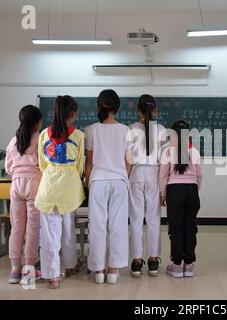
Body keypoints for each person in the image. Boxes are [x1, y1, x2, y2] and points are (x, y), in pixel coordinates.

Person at [35, 95, 85, 289]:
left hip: (48, 188)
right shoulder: (79, 136)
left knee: (49, 234)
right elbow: (80, 166)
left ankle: (53, 276)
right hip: (70, 188)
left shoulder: (43, 135)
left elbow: (42, 165)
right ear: (72, 115)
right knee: (68, 229)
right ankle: (70, 265)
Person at [85, 89, 132, 284]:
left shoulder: (91, 130)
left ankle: (99, 269)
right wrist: (123, 176)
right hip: (119, 181)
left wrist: (88, 182)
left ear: (99, 106)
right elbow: (129, 161)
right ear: (117, 107)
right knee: (118, 224)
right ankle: (113, 269)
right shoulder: (126, 130)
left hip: (98, 180)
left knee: (97, 224)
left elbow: (88, 163)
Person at [129, 94, 167, 278]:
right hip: (154, 175)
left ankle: (136, 261)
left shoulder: (130, 129)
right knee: (153, 219)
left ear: (137, 110)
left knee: (136, 220)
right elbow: (165, 161)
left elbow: (126, 159)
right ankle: (153, 260)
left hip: (135, 175)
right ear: (155, 110)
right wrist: (163, 188)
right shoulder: (161, 130)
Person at [5, 105, 42, 285]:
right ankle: (28, 271)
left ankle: (14, 270)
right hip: (34, 183)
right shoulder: (40, 138)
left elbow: (8, 167)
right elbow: (44, 162)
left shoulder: (14, 140)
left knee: (17, 228)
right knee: (33, 228)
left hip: (16, 185)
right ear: (37, 122)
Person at [160, 120, 202, 278]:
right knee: (190, 227)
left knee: (176, 228)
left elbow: (163, 175)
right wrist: (195, 190)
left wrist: (163, 194)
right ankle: (189, 265)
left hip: (174, 190)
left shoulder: (167, 151)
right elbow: (200, 175)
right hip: (191, 190)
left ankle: (176, 265)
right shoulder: (195, 151)